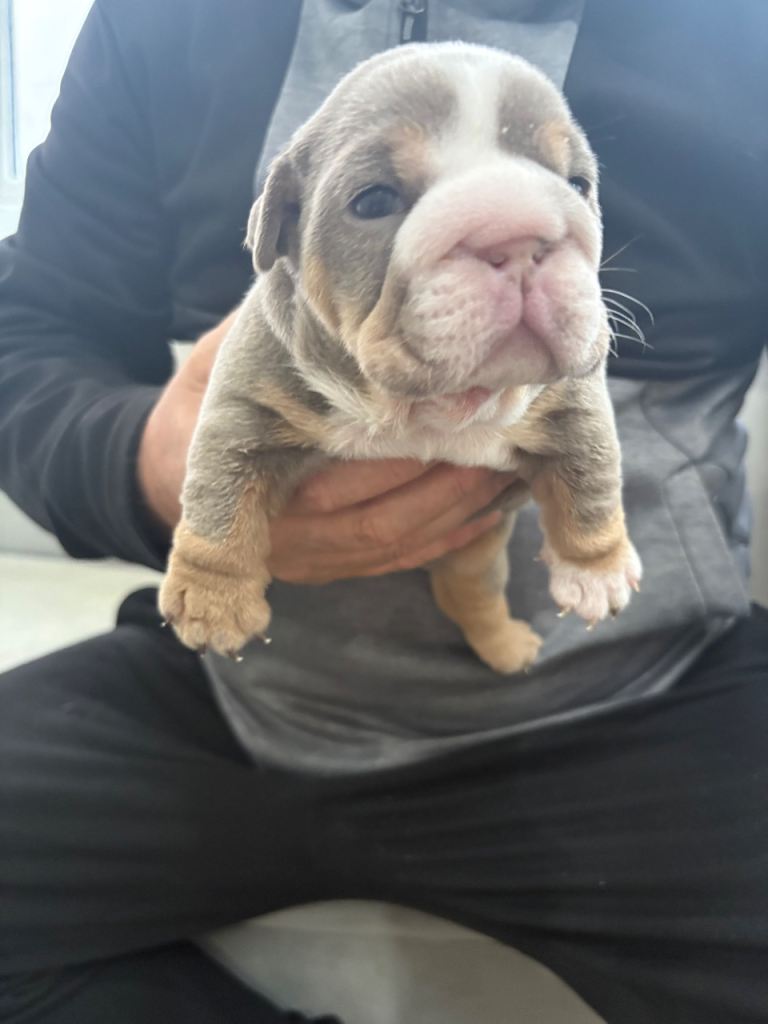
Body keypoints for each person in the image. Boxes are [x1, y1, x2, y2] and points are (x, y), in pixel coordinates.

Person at [1, 1, 766, 1021]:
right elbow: (32, 335)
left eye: (569, 189)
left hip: (642, 692)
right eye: (375, 196)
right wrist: (149, 466)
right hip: (237, 690)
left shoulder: (734, 34)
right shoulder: (157, 22)